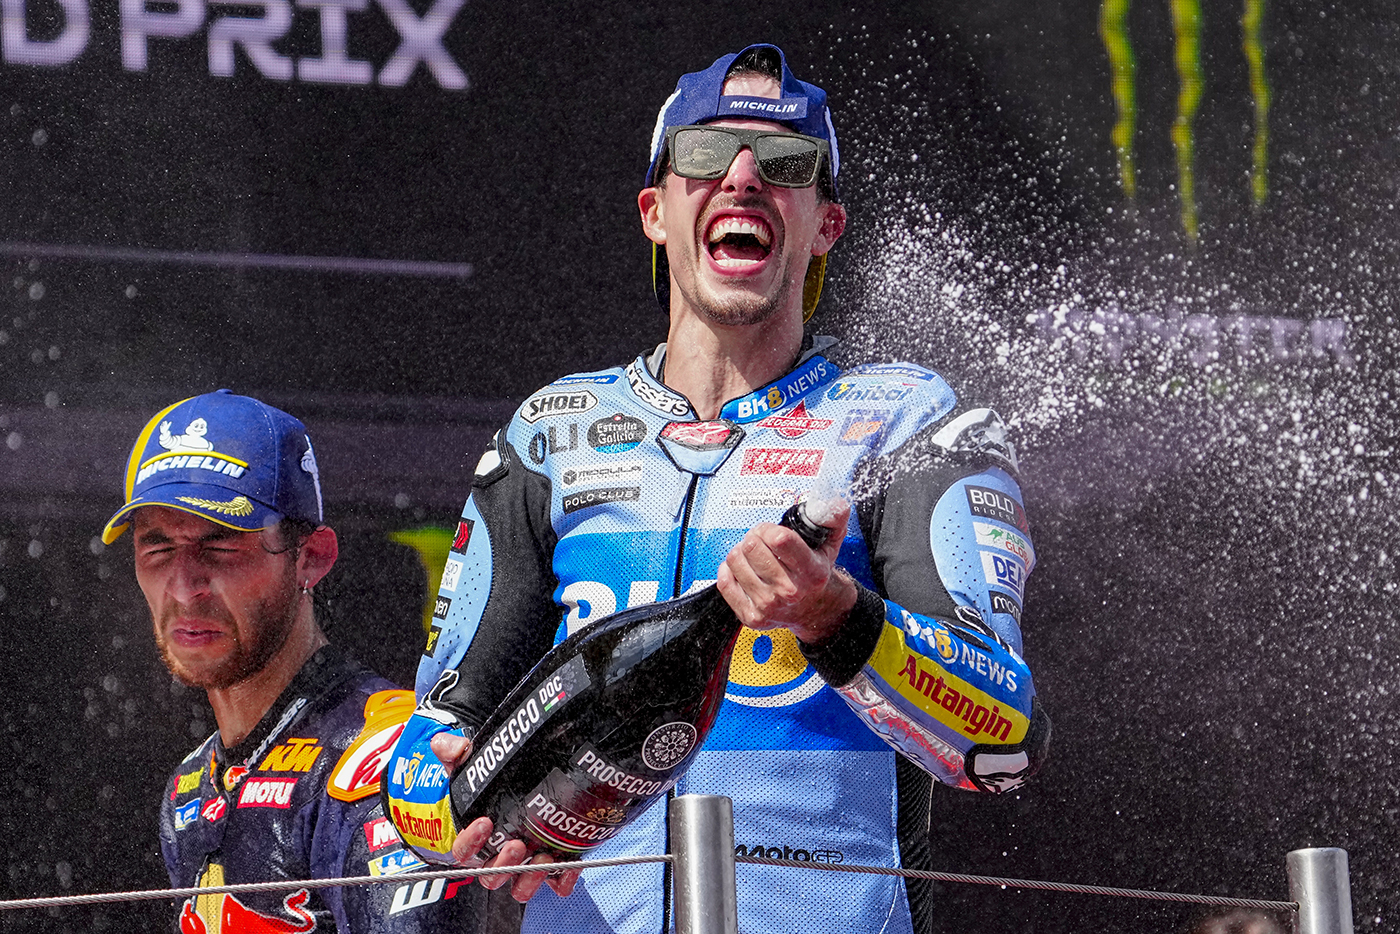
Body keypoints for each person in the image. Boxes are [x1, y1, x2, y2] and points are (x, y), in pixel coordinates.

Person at [384, 44, 1051, 933]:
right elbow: (432, 736)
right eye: (703, 155)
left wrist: (836, 616)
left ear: (826, 225)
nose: (741, 178)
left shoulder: (904, 421)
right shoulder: (551, 433)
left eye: (785, 165)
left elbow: (1001, 737)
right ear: (656, 212)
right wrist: (465, 821)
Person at [102, 389, 486, 932]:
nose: (184, 588)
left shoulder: (390, 758)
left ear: (312, 557)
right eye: (157, 548)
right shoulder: (188, 785)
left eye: (221, 546)